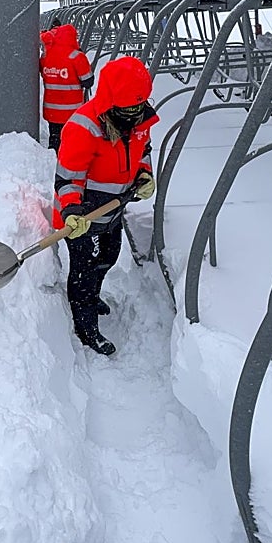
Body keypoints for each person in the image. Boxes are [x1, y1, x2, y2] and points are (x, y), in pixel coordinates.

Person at [51, 55, 158, 355]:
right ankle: (85, 326)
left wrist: (144, 173)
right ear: (111, 102)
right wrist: (72, 211)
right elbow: (68, 177)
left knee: (109, 256)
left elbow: (143, 148)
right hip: (83, 214)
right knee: (83, 269)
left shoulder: (138, 119)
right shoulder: (83, 127)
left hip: (113, 209)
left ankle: (91, 293)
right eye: (128, 108)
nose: (136, 114)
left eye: (139, 106)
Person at [39, 20, 94, 151]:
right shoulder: (76, 56)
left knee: (55, 139)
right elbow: (88, 81)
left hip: (51, 110)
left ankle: (54, 160)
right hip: (72, 111)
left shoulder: (46, 55)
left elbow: (43, 72)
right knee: (71, 143)